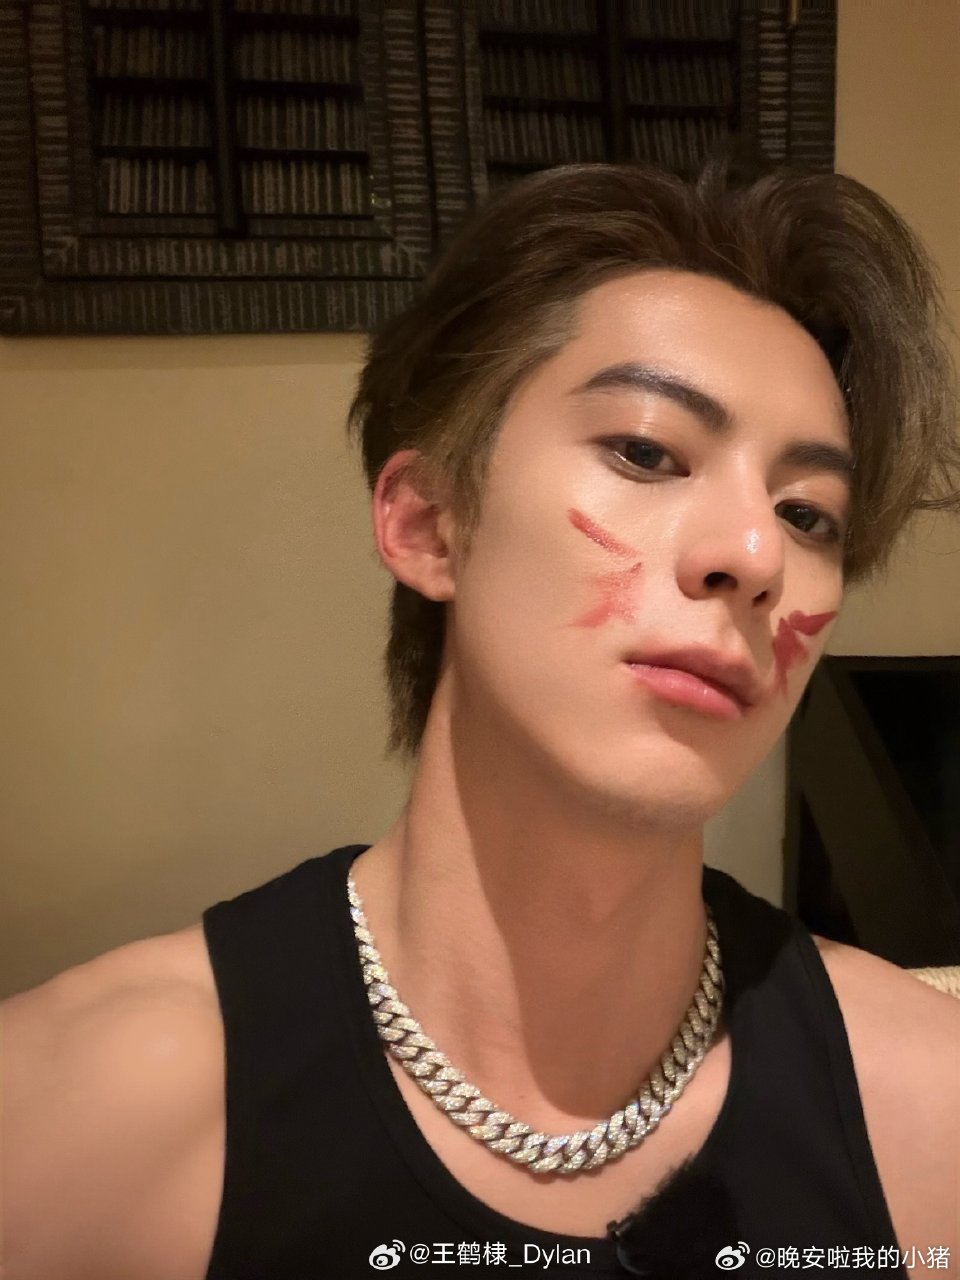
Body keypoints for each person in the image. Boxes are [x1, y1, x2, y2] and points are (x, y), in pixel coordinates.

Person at [3, 159, 960, 1280]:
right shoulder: (68, 1121)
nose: (755, 555)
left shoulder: (928, 1108)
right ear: (427, 524)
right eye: (646, 451)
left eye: (808, 514)